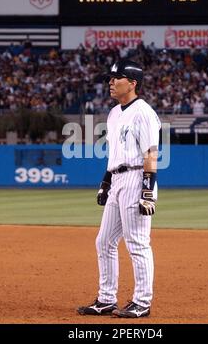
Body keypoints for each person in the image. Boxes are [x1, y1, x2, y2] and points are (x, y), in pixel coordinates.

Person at [77, 59, 161, 318]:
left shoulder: (144, 112)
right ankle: (106, 299)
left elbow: (150, 154)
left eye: (117, 78)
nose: (111, 82)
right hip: (118, 180)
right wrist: (106, 182)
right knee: (104, 241)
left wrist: (147, 192)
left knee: (137, 243)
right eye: (110, 78)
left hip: (138, 179)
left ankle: (142, 302)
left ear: (133, 83)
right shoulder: (114, 113)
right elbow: (115, 154)